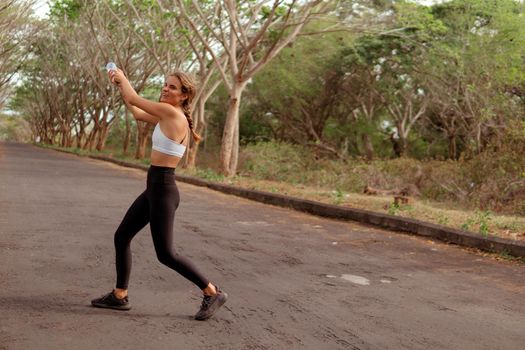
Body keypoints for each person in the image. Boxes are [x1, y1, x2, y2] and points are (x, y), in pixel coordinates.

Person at [91, 67, 227, 321]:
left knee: (165, 254)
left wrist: (123, 77)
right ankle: (119, 296)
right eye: (165, 84)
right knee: (122, 237)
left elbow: (134, 99)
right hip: (154, 189)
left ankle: (212, 291)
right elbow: (137, 112)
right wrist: (120, 85)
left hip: (163, 190)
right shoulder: (169, 115)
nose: (165, 88)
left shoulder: (170, 113)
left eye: (172, 87)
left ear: (184, 95)